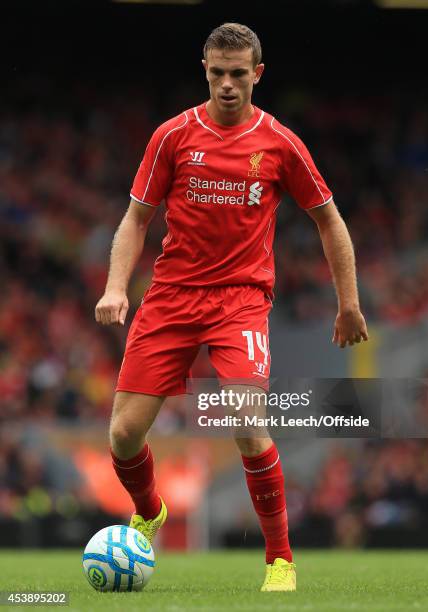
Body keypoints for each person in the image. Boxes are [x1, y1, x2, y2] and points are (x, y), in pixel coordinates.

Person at [95, 22, 368, 592]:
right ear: (205, 72)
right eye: (217, 73)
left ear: (257, 75)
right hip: (171, 295)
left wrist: (349, 304)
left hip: (240, 301)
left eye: (238, 74)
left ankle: (280, 560)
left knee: (246, 419)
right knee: (122, 436)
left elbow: (329, 220)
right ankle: (151, 509)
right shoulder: (172, 136)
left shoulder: (280, 143)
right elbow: (135, 219)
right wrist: (116, 287)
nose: (226, 84)